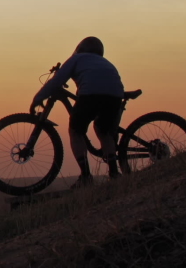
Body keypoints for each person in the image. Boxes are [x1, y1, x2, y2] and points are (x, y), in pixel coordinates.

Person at [30, 36, 125, 188]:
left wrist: (38, 98)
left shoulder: (76, 59)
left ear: (79, 49)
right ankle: (114, 173)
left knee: (76, 131)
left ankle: (86, 176)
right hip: (114, 97)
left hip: (91, 95)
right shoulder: (106, 62)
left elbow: (57, 81)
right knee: (103, 131)